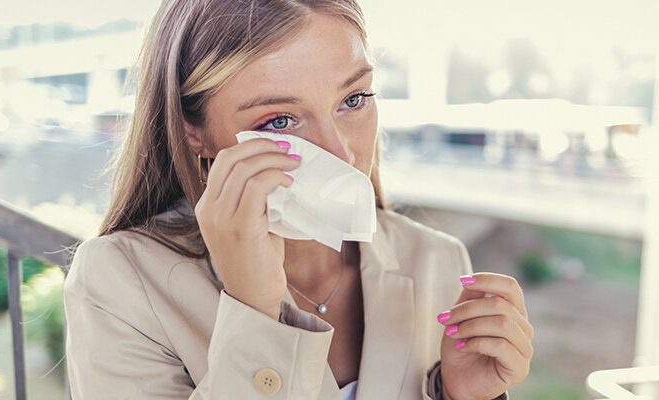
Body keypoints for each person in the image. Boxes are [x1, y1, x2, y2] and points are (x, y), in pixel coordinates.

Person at [62, 0, 534, 399]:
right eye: (280, 121)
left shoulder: (438, 260)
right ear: (195, 133)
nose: (341, 151)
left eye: (354, 99)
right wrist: (253, 310)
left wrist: (460, 397)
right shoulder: (119, 282)